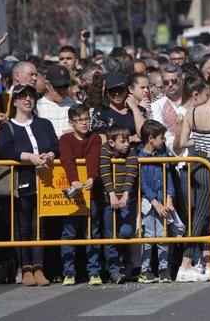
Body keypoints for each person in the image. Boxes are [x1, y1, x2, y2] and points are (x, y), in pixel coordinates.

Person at [0, 84, 58, 286]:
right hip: (22, 179)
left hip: (45, 181)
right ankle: (26, 268)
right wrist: (29, 157)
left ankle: (39, 267)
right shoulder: (8, 127)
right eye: (23, 97)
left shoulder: (44, 124)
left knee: (39, 225)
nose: (27, 100)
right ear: (15, 101)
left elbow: (55, 146)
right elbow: (5, 150)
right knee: (22, 225)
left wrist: (50, 154)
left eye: (31, 96)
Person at [173, 75, 210, 282]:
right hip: (196, 167)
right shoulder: (188, 112)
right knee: (198, 216)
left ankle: (208, 263)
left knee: (206, 215)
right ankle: (186, 264)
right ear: (196, 94)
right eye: (207, 96)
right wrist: (197, 139)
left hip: (200, 166)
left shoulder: (196, 112)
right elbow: (178, 145)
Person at [58, 104, 103, 286]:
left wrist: (92, 176)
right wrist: (74, 180)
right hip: (73, 191)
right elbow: (67, 160)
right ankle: (69, 271)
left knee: (92, 232)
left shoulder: (95, 138)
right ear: (71, 122)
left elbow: (93, 158)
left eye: (86, 119)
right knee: (68, 232)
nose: (84, 123)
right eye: (79, 120)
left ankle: (94, 271)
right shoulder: (65, 139)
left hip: (91, 191)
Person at [99, 125, 139, 284]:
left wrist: (125, 195)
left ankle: (126, 262)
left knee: (125, 231)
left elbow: (131, 171)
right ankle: (114, 270)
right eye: (122, 141)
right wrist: (112, 194)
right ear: (111, 142)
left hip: (127, 198)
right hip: (109, 198)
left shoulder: (131, 151)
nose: (127, 144)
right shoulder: (105, 150)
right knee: (110, 235)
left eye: (128, 140)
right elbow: (105, 171)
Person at [138, 119, 176, 283]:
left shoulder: (163, 155)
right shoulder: (139, 157)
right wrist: (155, 202)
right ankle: (145, 269)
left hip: (162, 200)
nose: (164, 140)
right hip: (149, 204)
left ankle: (163, 268)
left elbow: (168, 176)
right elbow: (143, 183)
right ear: (151, 138)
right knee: (147, 236)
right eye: (162, 137)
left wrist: (169, 198)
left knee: (163, 236)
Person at [91, 72, 144, 141]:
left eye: (120, 90)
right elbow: (100, 137)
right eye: (112, 91)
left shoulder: (137, 109)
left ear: (127, 90)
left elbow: (143, 134)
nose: (117, 94)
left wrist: (134, 108)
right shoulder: (101, 110)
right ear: (107, 92)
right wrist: (128, 139)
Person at [36, 65, 79, 138]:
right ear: (47, 85)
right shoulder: (37, 107)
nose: (62, 90)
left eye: (65, 86)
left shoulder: (77, 106)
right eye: (57, 86)